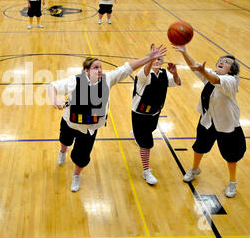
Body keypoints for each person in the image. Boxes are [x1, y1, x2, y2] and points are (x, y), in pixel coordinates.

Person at [48, 44, 167, 192]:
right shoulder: (75, 81)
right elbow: (52, 85)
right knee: (65, 141)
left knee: (82, 157)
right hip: (70, 122)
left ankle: (76, 175)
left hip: (90, 128)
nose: (99, 70)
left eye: (100, 67)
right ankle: (62, 151)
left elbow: (127, 68)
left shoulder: (107, 79)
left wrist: (149, 58)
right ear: (86, 71)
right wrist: (55, 99)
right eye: (95, 67)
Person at [175, 45, 246, 198]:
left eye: (226, 62)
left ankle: (232, 182)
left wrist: (203, 71)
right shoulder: (210, 75)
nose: (222, 61)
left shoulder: (231, 81)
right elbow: (195, 67)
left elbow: (214, 79)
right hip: (208, 120)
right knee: (199, 147)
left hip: (227, 125)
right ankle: (195, 169)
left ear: (232, 69)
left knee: (231, 156)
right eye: (221, 60)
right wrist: (185, 52)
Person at [131, 45, 181, 185]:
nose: (157, 61)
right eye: (154, 59)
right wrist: (149, 59)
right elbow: (146, 71)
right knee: (147, 143)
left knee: (149, 131)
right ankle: (146, 171)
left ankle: (135, 133)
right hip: (140, 113)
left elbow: (176, 83)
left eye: (159, 59)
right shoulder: (143, 73)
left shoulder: (164, 73)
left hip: (155, 112)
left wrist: (175, 73)